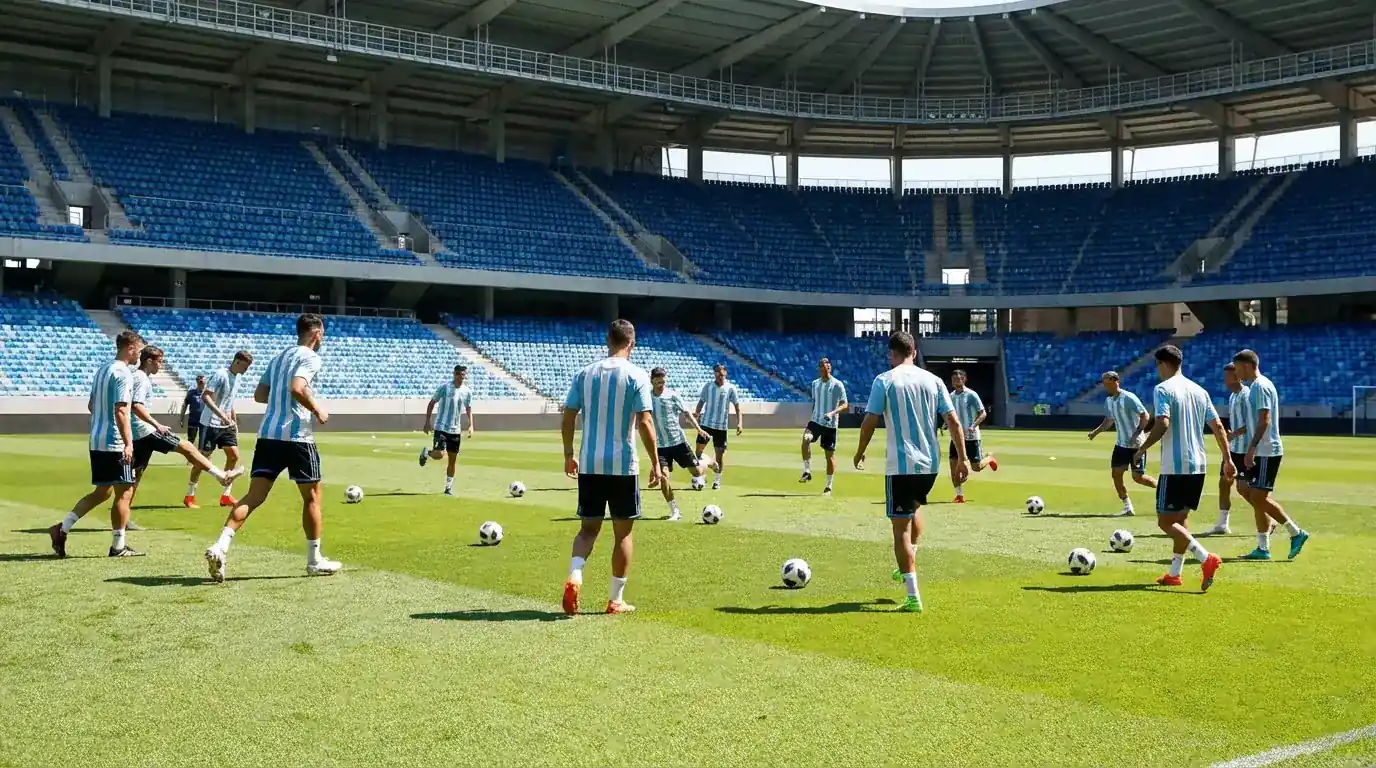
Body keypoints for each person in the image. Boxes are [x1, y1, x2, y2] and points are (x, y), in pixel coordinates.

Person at [204, 314, 339, 582]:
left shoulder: (279, 357)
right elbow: (297, 388)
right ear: (316, 334)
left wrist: (281, 398)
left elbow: (260, 395)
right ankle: (314, 560)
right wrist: (317, 409)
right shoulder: (311, 357)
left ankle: (220, 545)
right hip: (297, 436)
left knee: (254, 496)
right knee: (312, 497)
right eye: (322, 333)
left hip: (268, 435)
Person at [853, 331, 968, 614]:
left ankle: (913, 596)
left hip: (901, 466)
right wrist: (963, 458)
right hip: (930, 465)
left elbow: (870, 420)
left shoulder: (884, 380)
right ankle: (910, 558)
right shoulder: (934, 380)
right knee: (915, 507)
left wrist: (860, 450)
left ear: (891, 354)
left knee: (899, 530)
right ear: (914, 352)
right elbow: (953, 421)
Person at [560, 319, 662, 616]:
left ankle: (575, 574)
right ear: (632, 343)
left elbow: (568, 416)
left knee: (587, 530)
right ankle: (615, 600)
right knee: (623, 534)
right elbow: (644, 422)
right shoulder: (636, 375)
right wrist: (656, 462)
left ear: (608, 340)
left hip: (590, 463)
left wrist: (569, 454)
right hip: (622, 466)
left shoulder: (585, 374)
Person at [1133, 345, 1231, 591]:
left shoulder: (1163, 389)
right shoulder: (1199, 391)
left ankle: (1206, 558)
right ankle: (1175, 573)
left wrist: (1142, 449)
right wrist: (1228, 459)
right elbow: (1218, 426)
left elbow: (1163, 423)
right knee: (1181, 519)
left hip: (1175, 467)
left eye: (1157, 365)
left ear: (1163, 363)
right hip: (1198, 465)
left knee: (1165, 522)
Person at [48, 330, 145, 558]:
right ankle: (118, 546)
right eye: (139, 351)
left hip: (97, 438)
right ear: (130, 348)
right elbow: (121, 410)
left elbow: (92, 405)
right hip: (114, 441)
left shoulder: (102, 370)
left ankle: (62, 528)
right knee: (125, 491)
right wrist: (128, 443)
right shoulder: (123, 373)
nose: (139, 356)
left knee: (102, 492)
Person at [129, 346, 243, 506]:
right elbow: (136, 405)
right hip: (144, 430)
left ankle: (123, 513)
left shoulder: (138, 377)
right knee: (188, 447)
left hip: (138, 433)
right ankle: (220, 476)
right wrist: (157, 424)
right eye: (159, 362)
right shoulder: (141, 378)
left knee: (136, 473)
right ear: (149, 361)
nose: (160, 365)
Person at [1232, 349, 1309, 560]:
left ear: (1247, 365)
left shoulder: (1260, 386)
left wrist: (1252, 448)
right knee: (1254, 496)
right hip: (1262, 450)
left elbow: (1264, 420)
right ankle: (1263, 547)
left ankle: (1296, 532)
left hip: (1267, 450)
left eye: (1237, 368)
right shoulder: (1256, 386)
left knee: (1258, 497)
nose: (1236, 373)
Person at [185, 351, 253, 509]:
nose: (246, 370)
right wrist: (221, 414)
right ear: (237, 361)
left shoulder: (238, 378)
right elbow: (206, 396)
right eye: (245, 366)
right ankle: (189, 495)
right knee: (203, 460)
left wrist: (233, 420)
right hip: (210, 423)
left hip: (226, 424)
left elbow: (230, 400)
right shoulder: (220, 374)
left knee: (233, 455)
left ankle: (226, 496)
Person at [1087, 371, 1157, 517]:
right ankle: (1127, 506)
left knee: (1138, 478)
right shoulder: (1109, 401)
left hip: (1136, 445)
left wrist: (1137, 433)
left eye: (1108, 382)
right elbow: (1109, 420)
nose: (1106, 386)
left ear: (1116, 381)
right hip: (1121, 445)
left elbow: (1145, 415)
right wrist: (1095, 432)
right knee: (1116, 474)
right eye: (1104, 383)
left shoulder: (1129, 398)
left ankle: (1166, 491)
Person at [649, 366, 715, 521]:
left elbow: (686, 413)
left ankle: (707, 461)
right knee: (664, 477)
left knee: (697, 472)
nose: (661, 384)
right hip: (661, 446)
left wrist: (699, 429)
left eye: (663, 381)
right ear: (652, 381)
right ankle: (675, 511)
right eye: (658, 381)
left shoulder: (672, 395)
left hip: (678, 442)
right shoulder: (647, 397)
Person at [1208, 362, 1251, 535]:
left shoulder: (1247, 395)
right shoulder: (1233, 396)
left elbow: (1253, 422)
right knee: (1224, 483)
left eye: (1228, 376)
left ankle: (1267, 517)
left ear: (1237, 376)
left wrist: (1234, 434)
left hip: (1244, 449)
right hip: (1233, 449)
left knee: (1244, 488)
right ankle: (1223, 524)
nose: (1224, 379)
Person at [420, 364, 474, 496]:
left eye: (463, 375)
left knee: (452, 460)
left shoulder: (467, 391)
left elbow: (468, 408)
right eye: (458, 374)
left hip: (455, 430)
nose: (461, 377)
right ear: (454, 374)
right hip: (441, 427)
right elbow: (432, 402)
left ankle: (448, 488)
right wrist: (427, 421)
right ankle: (427, 453)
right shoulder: (445, 388)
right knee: (439, 455)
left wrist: (471, 425)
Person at [948, 370, 998, 503]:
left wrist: (973, 425)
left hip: (971, 437)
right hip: (956, 437)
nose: (956, 380)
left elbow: (983, 413)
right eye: (954, 379)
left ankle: (989, 458)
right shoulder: (950, 396)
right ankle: (959, 495)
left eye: (959, 378)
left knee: (976, 467)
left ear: (964, 379)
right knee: (954, 468)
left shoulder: (971, 395)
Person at [800, 357, 848, 494]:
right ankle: (807, 471)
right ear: (819, 369)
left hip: (830, 425)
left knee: (829, 456)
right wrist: (813, 415)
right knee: (805, 439)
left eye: (827, 365)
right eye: (821, 365)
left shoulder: (837, 385)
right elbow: (815, 402)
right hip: (815, 421)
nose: (824, 368)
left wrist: (832, 413)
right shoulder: (815, 384)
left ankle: (828, 486)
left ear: (830, 368)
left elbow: (845, 404)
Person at [694, 363, 742, 490]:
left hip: (721, 427)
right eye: (717, 374)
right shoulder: (708, 386)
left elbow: (737, 406)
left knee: (719, 455)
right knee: (698, 453)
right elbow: (701, 401)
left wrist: (739, 423)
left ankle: (717, 481)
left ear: (725, 374)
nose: (719, 376)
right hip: (706, 424)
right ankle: (700, 476)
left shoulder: (730, 388)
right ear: (714, 374)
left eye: (721, 374)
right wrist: (696, 414)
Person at [180, 375, 207, 450]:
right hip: (193, 420)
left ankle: (200, 456)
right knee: (190, 441)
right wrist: (181, 419)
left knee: (203, 442)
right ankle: (190, 456)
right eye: (200, 381)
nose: (201, 383)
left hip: (204, 421)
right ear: (197, 382)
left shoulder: (208, 394)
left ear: (205, 382)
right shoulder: (191, 393)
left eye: (202, 381)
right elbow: (184, 406)